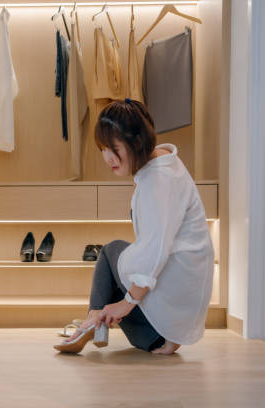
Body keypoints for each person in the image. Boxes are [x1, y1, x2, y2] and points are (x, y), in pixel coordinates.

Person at [54, 98, 215, 355]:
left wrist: (126, 303)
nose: (107, 158)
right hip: (177, 315)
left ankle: (91, 321)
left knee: (109, 252)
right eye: (102, 149)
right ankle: (94, 321)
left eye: (113, 148)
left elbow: (156, 252)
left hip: (157, 332)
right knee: (121, 260)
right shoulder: (165, 163)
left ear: (136, 142)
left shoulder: (156, 181)